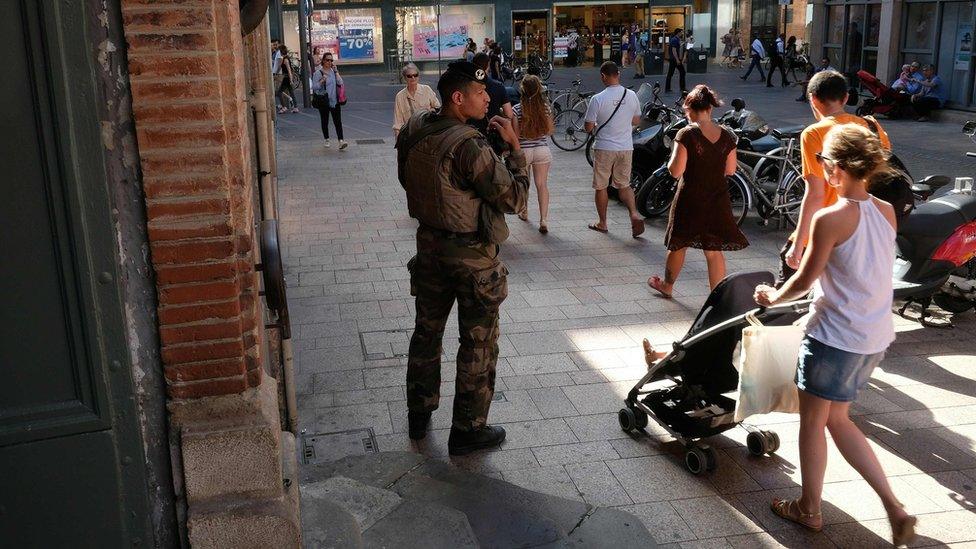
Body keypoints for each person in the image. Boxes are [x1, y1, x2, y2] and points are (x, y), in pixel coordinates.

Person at [754, 124, 916, 548]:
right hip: (873, 336)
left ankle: (809, 508)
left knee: (814, 422)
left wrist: (772, 296)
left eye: (825, 162)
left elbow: (804, 280)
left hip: (834, 337)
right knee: (839, 420)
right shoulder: (885, 210)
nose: (823, 168)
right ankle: (894, 506)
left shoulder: (829, 218)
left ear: (838, 167)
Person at [395, 60, 530, 456]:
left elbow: (408, 178)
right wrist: (515, 150)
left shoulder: (417, 127)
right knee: (478, 342)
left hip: (430, 249)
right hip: (472, 259)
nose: (488, 98)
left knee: (426, 334)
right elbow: (515, 198)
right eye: (480, 92)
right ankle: (468, 429)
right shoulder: (469, 145)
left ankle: (418, 415)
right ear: (458, 98)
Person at [780, 70, 891, 283]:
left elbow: (815, 195)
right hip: (861, 231)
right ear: (846, 97)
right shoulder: (871, 126)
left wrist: (798, 244)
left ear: (812, 98)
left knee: (787, 299)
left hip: (826, 230)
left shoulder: (813, 133)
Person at [647, 85, 748, 298]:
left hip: (690, 198)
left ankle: (667, 285)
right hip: (718, 199)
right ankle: (716, 298)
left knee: (678, 244)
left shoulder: (687, 134)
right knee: (713, 250)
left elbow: (676, 171)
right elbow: (730, 169)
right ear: (710, 109)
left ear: (689, 110)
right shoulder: (728, 136)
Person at [583, 61, 645, 238]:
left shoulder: (598, 99)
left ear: (603, 76)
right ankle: (634, 214)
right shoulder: (632, 95)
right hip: (626, 147)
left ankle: (602, 223)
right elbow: (636, 121)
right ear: (618, 74)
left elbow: (588, 127)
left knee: (601, 186)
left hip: (604, 147)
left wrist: (595, 124)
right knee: (624, 185)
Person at [512, 75, 555, 233]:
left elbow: (515, 136)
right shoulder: (545, 108)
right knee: (542, 185)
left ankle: (524, 211)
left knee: (525, 183)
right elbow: (550, 131)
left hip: (524, 150)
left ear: (522, 89)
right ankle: (543, 220)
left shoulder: (517, 109)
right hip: (542, 150)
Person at [471, 53, 514, 137]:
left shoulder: (467, 87)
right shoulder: (498, 86)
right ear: (488, 65)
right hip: (494, 133)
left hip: (472, 134)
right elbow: (509, 114)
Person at [393, 63, 440, 139]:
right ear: (405, 78)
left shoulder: (426, 89)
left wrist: (428, 112)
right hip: (410, 136)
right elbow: (398, 122)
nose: (413, 78)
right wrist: (398, 141)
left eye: (415, 75)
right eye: (409, 76)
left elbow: (438, 108)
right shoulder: (400, 96)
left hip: (427, 133)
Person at [311, 54, 347, 150]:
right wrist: (322, 80)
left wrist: (336, 72)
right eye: (327, 60)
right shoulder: (318, 73)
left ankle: (341, 141)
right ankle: (326, 139)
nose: (330, 62)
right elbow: (314, 87)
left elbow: (340, 83)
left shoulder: (333, 71)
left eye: (331, 60)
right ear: (323, 61)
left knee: (338, 122)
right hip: (324, 101)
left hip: (334, 101)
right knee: (325, 121)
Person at [275, 45, 299, 114]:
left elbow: (289, 70)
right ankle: (296, 107)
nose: (278, 52)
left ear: (281, 51)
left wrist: (291, 79)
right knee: (291, 92)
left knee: (279, 92)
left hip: (287, 78)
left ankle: (284, 107)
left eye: (279, 51)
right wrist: (276, 73)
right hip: (287, 77)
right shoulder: (284, 59)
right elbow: (280, 68)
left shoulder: (285, 59)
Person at [665, 28, 687, 93]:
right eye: (681, 32)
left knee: (671, 73)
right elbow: (674, 50)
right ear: (678, 33)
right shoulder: (674, 40)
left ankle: (668, 88)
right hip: (674, 59)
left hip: (674, 59)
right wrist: (677, 59)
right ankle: (682, 88)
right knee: (681, 72)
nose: (682, 33)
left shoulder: (676, 39)